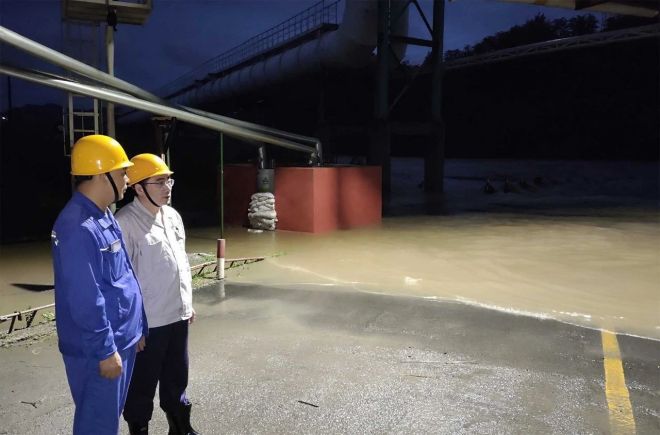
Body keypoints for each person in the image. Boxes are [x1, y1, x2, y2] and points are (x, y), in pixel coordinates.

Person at [51, 134, 148, 435]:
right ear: (101, 174)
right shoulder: (77, 226)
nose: (127, 179)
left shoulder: (104, 214)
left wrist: (137, 327)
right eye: (122, 172)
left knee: (108, 422)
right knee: (98, 427)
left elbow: (124, 275)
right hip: (100, 349)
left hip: (122, 338)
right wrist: (105, 351)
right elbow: (85, 298)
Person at [116, 153, 199, 435]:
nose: (167, 187)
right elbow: (121, 281)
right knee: (142, 384)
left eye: (169, 181)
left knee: (177, 377)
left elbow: (180, 263)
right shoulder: (125, 222)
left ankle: (180, 426)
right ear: (139, 188)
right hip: (148, 323)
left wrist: (187, 303)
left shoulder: (173, 216)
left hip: (177, 314)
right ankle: (139, 428)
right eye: (159, 182)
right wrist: (132, 326)